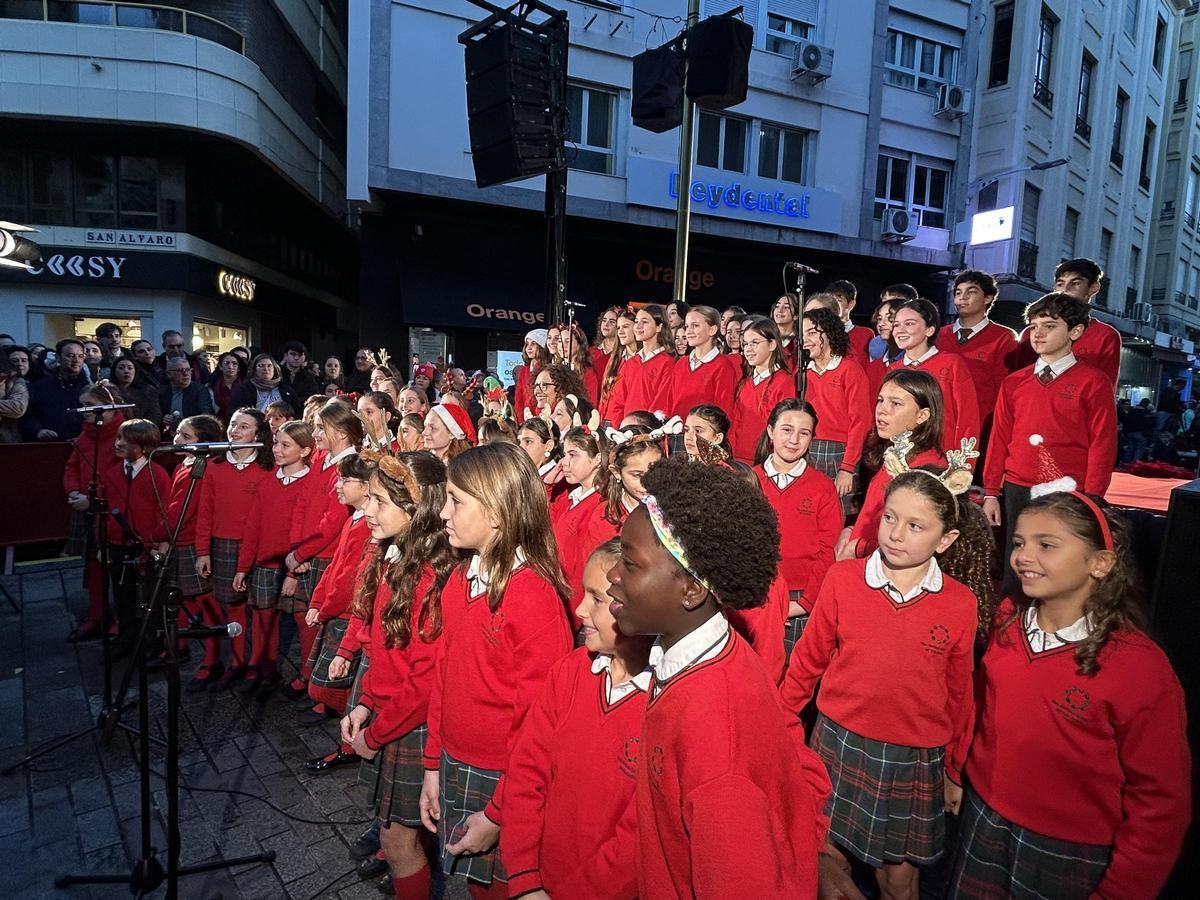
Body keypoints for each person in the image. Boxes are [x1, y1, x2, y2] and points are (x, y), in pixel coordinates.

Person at [606, 455, 830, 897]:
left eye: (630, 564)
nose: (612, 574)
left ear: (692, 590)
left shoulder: (716, 750)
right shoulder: (714, 654)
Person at [950, 492, 1190, 899]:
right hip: (985, 817)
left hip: (1068, 849)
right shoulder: (1007, 618)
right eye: (1020, 542)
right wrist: (957, 768)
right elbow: (983, 703)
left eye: (1046, 545)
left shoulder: (1138, 667)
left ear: (1100, 563)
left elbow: (1160, 800)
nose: (1024, 555)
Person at [783, 461, 993, 900]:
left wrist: (954, 770)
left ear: (946, 539)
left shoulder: (959, 603)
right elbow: (807, 661)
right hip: (839, 743)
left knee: (898, 881)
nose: (896, 534)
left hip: (913, 757)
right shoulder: (843, 580)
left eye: (916, 526)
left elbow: (960, 695)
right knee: (824, 862)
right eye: (891, 518)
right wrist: (780, 727)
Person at [418, 443, 573, 898]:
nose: (443, 513)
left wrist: (497, 814)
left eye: (456, 501)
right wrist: (432, 764)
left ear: (498, 512)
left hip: (508, 781)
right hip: (456, 762)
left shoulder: (533, 597)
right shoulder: (461, 579)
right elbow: (444, 679)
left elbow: (540, 725)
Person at [500, 539, 652, 899]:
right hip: (540, 880)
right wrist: (524, 878)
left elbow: (637, 838)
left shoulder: (665, 704)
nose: (580, 610)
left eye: (597, 599)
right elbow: (527, 770)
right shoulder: (569, 672)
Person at [343, 452, 453, 898]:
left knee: (398, 840)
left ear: (417, 508)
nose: (366, 510)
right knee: (399, 838)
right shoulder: (394, 556)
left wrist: (376, 733)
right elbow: (386, 653)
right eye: (367, 498)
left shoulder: (426, 575)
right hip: (391, 714)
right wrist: (367, 701)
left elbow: (424, 682)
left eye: (380, 501)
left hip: (412, 725)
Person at [983, 292, 1118, 592]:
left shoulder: (1093, 382)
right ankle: (1011, 624)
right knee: (1015, 561)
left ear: (1076, 331)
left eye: (1050, 325)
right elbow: (1000, 437)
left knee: (1058, 566)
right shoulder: (1014, 382)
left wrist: (1093, 496)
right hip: (1018, 485)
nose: (1038, 333)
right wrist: (991, 491)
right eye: (1033, 326)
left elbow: (1103, 442)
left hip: (1069, 489)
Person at [282, 400, 363, 697]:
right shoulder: (319, 459)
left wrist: (302, 554)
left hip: (327, 555)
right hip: (307, 553)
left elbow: (333, 521)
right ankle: (308, 674)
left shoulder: (347, 467)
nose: (314, 433)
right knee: (305, 616)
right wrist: (296, 549)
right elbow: (302, 504)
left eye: (320, 428)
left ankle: (321, 686)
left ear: (341, 433)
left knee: (322, 621)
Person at [231, 420, 313, 695]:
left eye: (285, 445)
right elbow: (252, 526)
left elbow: (307, 530)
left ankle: (308, 675)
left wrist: (292, 571)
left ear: (304, 451)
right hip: (265, 564)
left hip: (295, 566)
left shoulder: (310, 484)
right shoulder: (267, 483)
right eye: (276, 443)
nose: (276, 449)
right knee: (264, 620)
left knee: (303, 620)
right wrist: (243, 567)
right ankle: (264, 669)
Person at [194, 408, 274, 688]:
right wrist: (203, 551)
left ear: (257, 434)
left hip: (261, 545)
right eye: (232, 425)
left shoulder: (268, 467)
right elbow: (205, 512)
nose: (235, 431)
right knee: (234, 608)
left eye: (244, 427)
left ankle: (259, 664)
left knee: (263, 609)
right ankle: (237, 663)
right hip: (225, 544)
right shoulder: (215, 466)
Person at [755, 399, 841, 656]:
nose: (794, 440)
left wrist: (802, 604)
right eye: (786, 430)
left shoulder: (823, 488)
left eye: (804, 433)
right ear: (771, 431)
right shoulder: (750, 480)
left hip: (801, 601)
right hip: (756, 598)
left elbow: (829, 551)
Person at [301, 454, 375, 739]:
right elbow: (334, 567)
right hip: (334, 610)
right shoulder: (352, 520)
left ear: (367, 486)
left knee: (328, 686)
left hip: (346, 614)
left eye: (345, 480)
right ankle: (347, 739)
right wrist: (318, 601)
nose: (337, 486)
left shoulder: (367, 526)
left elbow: (350, 581)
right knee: (333, 683)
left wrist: (326, 608)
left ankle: (353, 738)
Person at [838, 369, 946, 560]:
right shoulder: (894, 454)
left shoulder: (924, 470)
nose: (882, 410)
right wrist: (852, 529)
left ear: (922, 416)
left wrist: (860, 548)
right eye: (880, 400)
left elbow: (909, 541)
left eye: (895, 404)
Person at [157, 414, 225, 687]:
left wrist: (157, 535)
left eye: (187, 436)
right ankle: (178, 645)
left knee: (203, 602)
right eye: (178, 434)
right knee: (181, 598)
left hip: (190, 542)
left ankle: (212, 660)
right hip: (178, 541)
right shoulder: (184, 465)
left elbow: (180, 512)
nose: (178, 440)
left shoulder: (201, 469)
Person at [100, 418, 172, 653]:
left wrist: (156, 544)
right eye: (118, 438)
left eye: (126, 441)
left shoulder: (157, 475)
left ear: (143, 446)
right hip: (118, 543)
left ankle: (151, 641)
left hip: (146, 546)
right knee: (122, 594)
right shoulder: (112, 473)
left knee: (150, 596)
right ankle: (125, 638)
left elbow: (163, 512)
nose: (118, 444)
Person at [63, 385, 127, 639]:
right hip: (86, 507)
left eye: (89, 404)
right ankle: (97, 615)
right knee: (93, 567)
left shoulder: (125, 434)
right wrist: (72, 492)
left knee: (118, 568)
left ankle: (122, 619)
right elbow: (72, 466)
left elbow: (121, 477)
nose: (84, 411)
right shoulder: (85, 435)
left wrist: (94, 500)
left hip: (111, 510)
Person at [889, 298, 980, 459]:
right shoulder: (893, 369)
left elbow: (968, 418)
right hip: (900, 458)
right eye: (896, 325)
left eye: (909, 324)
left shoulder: (952, 364)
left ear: (929, 330)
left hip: (941, 459)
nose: (900, 330)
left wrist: (963, 465)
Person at [936, 269, 1018, 441]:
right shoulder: (938, 335)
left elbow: (1004, 391)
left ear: (988, 298)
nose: (962, 297)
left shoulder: (1004, 338)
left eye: (971, 292)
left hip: (979, 428)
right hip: (937, 425)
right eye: (958, 292)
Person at [1013, 258, 1122, 387]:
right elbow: (1017, 381)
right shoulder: (1031, 333)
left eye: (1075, 283)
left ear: (1093, 287)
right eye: (1060, 284)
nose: (1065, 289)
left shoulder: (1105, 335)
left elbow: (1105, 388)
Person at [801, 306, 872, 503]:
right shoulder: (803, 373)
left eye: (812, 333)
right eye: (803, 333)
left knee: (838, 516)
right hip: (807, 450)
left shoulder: (849, 370)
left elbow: (861, 422)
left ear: (830, 333)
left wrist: (847, 467)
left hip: (839, 453)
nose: (805, 339)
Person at [551, 426, 617, 607]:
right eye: (564, 455)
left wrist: (569, 613)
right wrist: (548, 486)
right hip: (556, 593)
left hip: (571, 604)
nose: (564, 462)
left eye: (573, 455)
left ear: (596, 459)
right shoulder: (569, 497)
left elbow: (586, 571)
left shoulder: (601, 507)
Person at [656, 305, 738, 422]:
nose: (688, 331)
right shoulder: (681, 363)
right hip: (676, 435)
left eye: (695, 326)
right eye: (687, 326)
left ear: (712, 330)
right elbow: (669, 403)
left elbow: (724, 411)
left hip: (704, 437)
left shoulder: (723, 366)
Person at [730, 316, 795, 463]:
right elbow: (736, 421)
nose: (748, 349)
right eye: (745, 344)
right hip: (738, 458)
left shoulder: (784, 381)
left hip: (765, 459)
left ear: (772, 344)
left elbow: (783, 426)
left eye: (755, 343)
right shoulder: (745, 382)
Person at [604, 305, 675, 426]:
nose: (638, 326)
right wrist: (619, 429)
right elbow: (618, 402)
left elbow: (661, 404)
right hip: (625, 432)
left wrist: (646, 431)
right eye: (636, 321)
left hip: (649, 433)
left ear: (659, 327)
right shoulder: (631, 363)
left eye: (645, 322)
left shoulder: (668, 363)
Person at [21, 338, 89, 440]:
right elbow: (28, 416)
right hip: (49, 444)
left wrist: (84, 436)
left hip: (81, 445)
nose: (76, 360)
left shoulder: (89, 389)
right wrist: (38, 430)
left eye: (80, 356)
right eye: (70, 356)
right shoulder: (40, 387)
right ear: (58, 357)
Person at [602, 423, 665, 524]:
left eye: (655, 472)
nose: (647, 483)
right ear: (616, 472)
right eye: (637, 475)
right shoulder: (605, 518)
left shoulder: (676, 511)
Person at [599, 308, 639, 425]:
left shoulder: (640, 362)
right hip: (607, 421)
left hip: (627, 422)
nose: (620, 332)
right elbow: (604, 396)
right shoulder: (615, 359)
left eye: (625, 327)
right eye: (618, 328)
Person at [824, 279, 874, 364]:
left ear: (851, 304)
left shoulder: (865, 334)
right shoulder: (820, 333)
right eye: (830, 301)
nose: (833, 306)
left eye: (838, 301)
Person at [229, 353, 296, 414]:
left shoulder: (286, 390)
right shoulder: (244, 389)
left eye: (269, 365)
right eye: (261, 366)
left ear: (274, 369)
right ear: (254, 370)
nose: (266, 369)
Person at [160, 356, 214, 431]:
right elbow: (156, 414)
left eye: (188, 370)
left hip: (194, 433)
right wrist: (163, 418)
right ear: (169, 374)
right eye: (180, 370)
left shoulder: (199, 390)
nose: (186, 374)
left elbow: (206, 416)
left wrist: (178, 422)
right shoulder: (162, 392)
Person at [513, 329, 550, 424]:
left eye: (533, 344)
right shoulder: (523, 371)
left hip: (543, 419)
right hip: (525, 420)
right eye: (527, 344)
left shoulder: (548, 369)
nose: (528, 348)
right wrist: (521, 421)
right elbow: (519, 399)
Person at [110, 358, 162, 424]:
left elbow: (155, 415)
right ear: (114, 371)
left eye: (130, 368)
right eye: (121, 368)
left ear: (135, 371)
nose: (126, 371)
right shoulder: (108, 390)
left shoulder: (148, 390)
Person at [0, 352, 29, 443]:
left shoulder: (15, 381)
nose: (20, 363)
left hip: (7, 441)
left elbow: (18, 408)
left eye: (23, 360)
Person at [208, 352, 244, 421]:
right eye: (226, 363)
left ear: (239, 368)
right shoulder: (211, 386)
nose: (230, 366)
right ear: (220, 367)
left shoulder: (246, 386)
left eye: (234, 363)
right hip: (217, 422)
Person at [590, 306, 620, 386]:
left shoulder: (624, 354)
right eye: (604, 320)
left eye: (612, 321)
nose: (606, 324)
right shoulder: (591, 352)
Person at [772, 292, 801, 372]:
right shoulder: (767, 338)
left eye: (786, 307)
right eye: (777, 306)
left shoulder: (799, 342)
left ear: (796, 316)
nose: (780, 310)